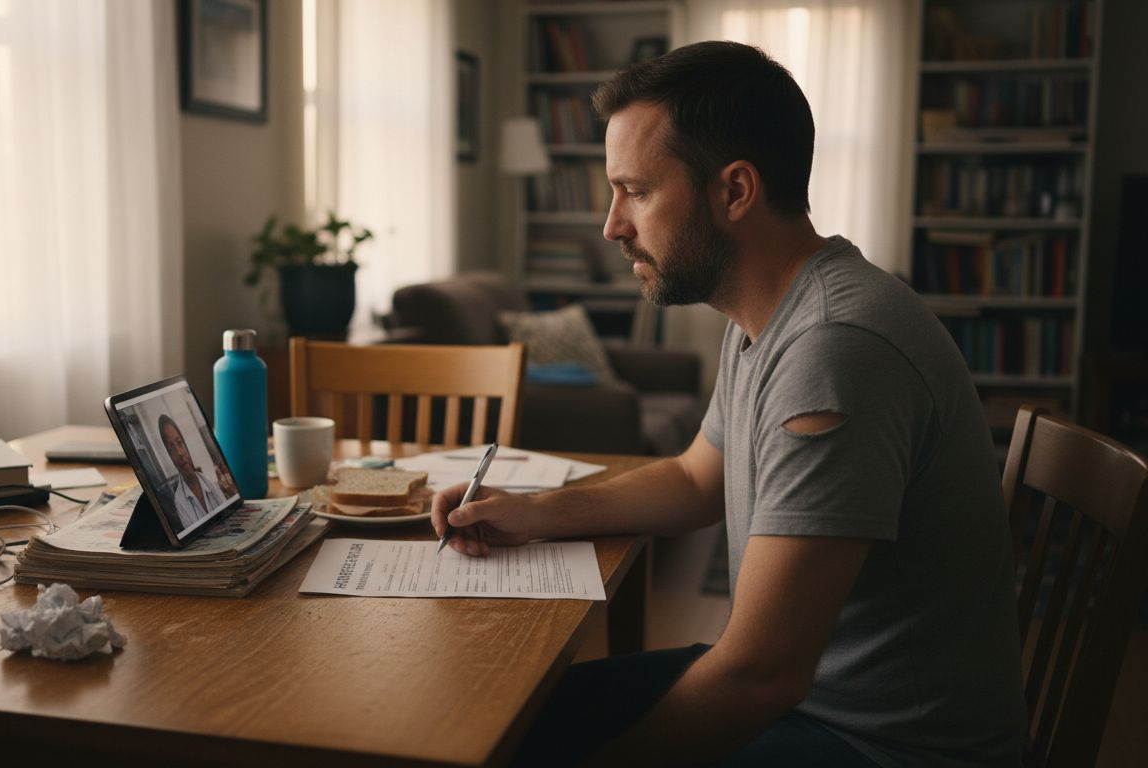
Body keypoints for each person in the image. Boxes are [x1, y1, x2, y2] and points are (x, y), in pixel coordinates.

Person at [432, 41, 1026, 767]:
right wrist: (532, 511)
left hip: (883, 744)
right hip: (822, 702)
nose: (613, 225)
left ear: (735, 191)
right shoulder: (768, 314)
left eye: (636, 191)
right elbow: (694, 479)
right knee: (503, 717)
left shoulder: (833, 349)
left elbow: (761, 674)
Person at [157, 413, 224, 531]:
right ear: (170, 456)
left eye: (180, 443)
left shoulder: (209, 482)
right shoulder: (180, 501)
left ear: (186, 446)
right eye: (172, 449)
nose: (180, 453)